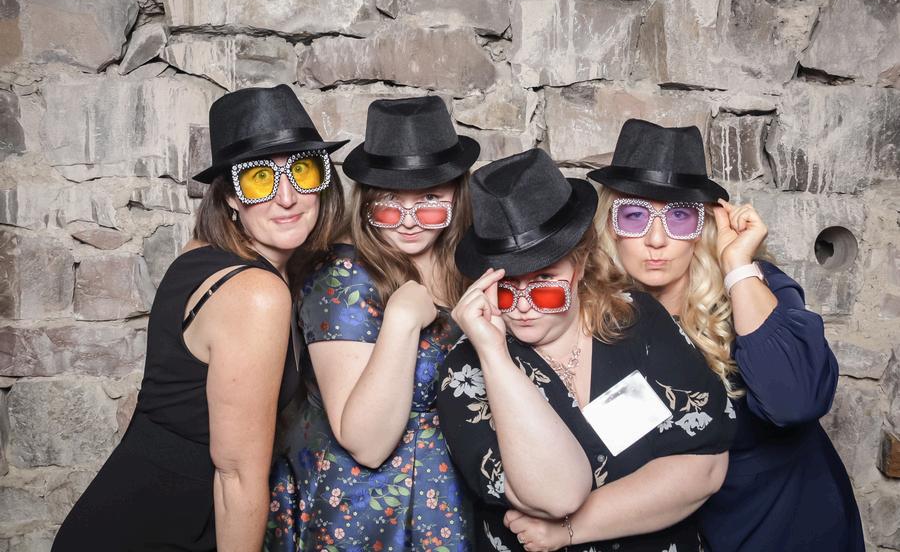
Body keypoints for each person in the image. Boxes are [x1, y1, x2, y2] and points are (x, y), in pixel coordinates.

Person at [52, 85, 348, 552]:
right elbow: (236, 475)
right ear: (230, 196)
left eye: (302, 170)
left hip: (134, 513)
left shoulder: (203, 252)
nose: (287, 197)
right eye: (259, 179)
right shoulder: (256, 293)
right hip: (158, 532)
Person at [582, 118, 864, 551]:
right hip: (691, 532)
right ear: (610, 225)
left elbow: (796, 401)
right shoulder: (608, 317)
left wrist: (737, 266)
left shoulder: (756, 285)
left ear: (704, 224)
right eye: (635, 216)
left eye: (679, 217)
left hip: (792, 526)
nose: (656, 239)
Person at [436, 147, 735, 552]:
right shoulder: (465, 369)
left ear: (578, 266)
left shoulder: (635, 319)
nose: (522, 306)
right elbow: (557, 495)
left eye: (544, 283)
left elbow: (706, 466)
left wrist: (570, 530)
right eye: (505, 289)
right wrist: (494, 356)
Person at [265, 96, 478, 551]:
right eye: (389, 202)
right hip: (370, 517)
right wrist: (401, 321)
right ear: (365, 200)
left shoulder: (465, 265)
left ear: (457, 195)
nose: (409, 221)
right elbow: (365, 442)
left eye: (430, 199)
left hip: (452, 500)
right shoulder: (343, 278)